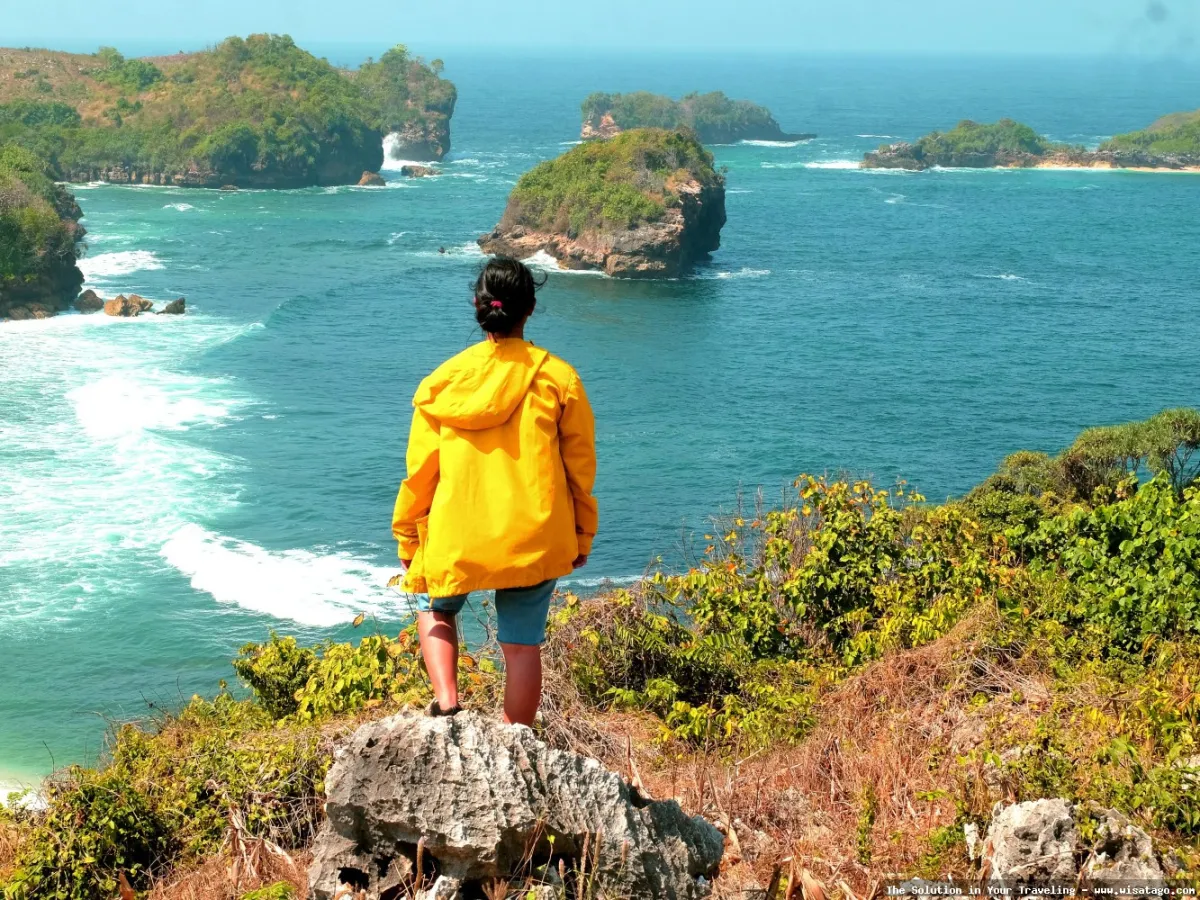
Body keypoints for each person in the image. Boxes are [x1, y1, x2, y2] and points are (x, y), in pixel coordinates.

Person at [391, 257, 598, 726]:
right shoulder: (558, 378)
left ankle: (447, 705)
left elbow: (420, 473)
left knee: (433, 607)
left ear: (479, 307)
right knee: (522, 643)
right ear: (530, 309)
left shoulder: (441, 384)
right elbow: (579, 469)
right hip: (534, 531)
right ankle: (514, 741)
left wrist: (408, 537)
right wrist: (581, 534)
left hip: (457, 531)